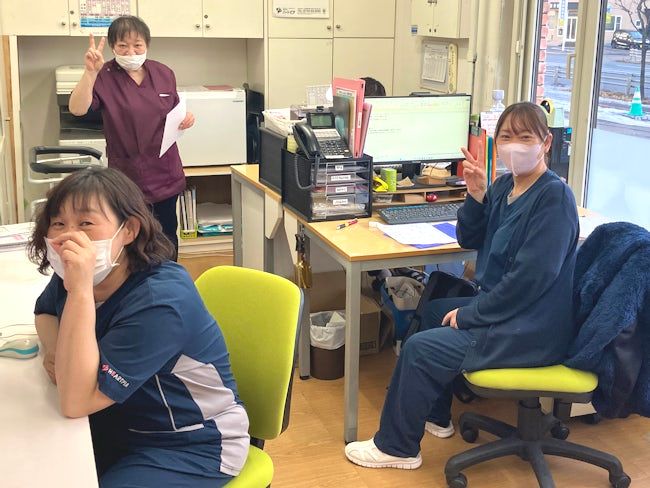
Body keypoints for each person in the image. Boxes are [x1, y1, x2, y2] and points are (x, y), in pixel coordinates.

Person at [344, 101, 579, 469]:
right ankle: (436, 416)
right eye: (506, 137)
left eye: (525, 137)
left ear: (546, 143)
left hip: (530, 328)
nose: (514, 145)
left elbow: (528, 283)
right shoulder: (506, 186)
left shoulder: (554, 198)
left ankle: (397, 448)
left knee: (420, 348)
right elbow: (469, 237)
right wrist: (476, 195)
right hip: (506, 311)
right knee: (434, 308)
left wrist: (472, 315)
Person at [28, 167, 249, 487]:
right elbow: (45, 312)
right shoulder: (77, 274)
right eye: (58, 223)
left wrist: (80, 292)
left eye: (86, 223)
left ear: (129, 230)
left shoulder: (160, 301)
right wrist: (54, 350)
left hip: (191, 442)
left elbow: (75, 401)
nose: (69, 237)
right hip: (119, 421)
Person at [68, 15, 195, 259]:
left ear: (147, 44)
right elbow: (77, 109)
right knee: (131, 241)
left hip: (165, 173)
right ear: (112, 46)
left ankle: (169, 279)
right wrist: (90, 73)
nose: (131, 51)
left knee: (167, 237)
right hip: (127, 177)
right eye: (123, 45)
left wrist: (186, 118)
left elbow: (174, 110)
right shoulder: (103, 75)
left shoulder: (163, 73)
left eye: (137, 45)